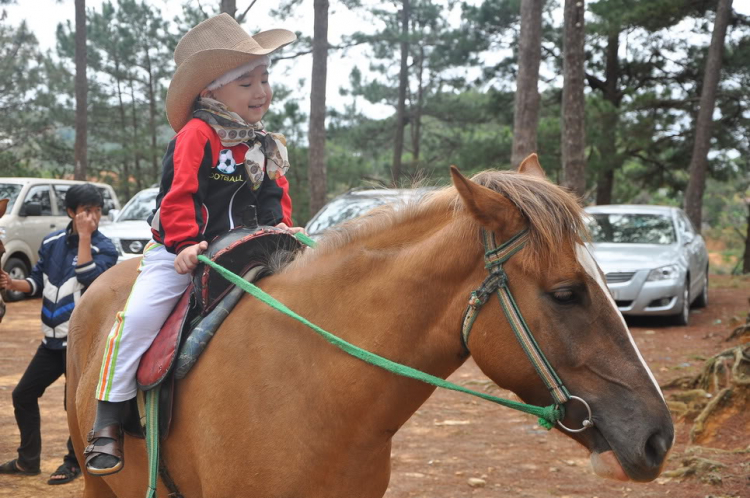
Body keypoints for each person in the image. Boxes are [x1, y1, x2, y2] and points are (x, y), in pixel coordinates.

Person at [84, 13, 304, 476]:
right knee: (140, 318)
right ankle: (106, 420)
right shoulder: (197, 134)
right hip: (184, 253)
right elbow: (177, 195)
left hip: (248, 249)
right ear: (210, 92)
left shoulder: (262, 143)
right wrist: (184, 243)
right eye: (246, 82)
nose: (261, 91)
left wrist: (285, 232)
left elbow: (272, 197)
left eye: (264, 78)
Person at [0, 183, 118, 485]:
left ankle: (72, 462)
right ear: (70, 212)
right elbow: (37, 280)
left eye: (97, 211)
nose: (93, 217)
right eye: (86, 211)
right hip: (51, 342)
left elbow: (87, 276)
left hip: (79, 343)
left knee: (74, 405)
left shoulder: (104, 247)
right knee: (23, 394)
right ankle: (28, 461)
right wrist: (15, 285)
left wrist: (85, 237)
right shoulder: (51, 242)